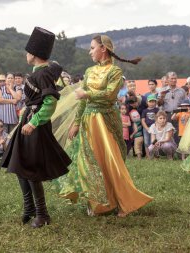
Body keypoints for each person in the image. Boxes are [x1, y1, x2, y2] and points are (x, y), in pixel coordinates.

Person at [63, 34, 152, 217]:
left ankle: (123, 202)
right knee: (87, 161)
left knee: (111, 161)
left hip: (106, 121)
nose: (90, 52)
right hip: (88, 121)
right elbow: (82, 102)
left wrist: (87, 95)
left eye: (92, 48)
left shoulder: (115, 72)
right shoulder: (89, 71)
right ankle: (96, 202)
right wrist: (76, 122)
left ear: (103, 48)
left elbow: (110, 95)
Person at [0, 27, 71, 228]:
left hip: (35, 126)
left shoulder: (44, 74)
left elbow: (50, 103)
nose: (26, 55)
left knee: (30, 168)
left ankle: (43, 214)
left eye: (28, 52)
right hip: (28, 121)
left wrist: (33, 122)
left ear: (34, 54)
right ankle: (29, 208)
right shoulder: (42, 72)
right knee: (20, 165)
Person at [141, 94, 159, 159]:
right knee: (146, 142)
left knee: (154, 141)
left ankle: (155, 155)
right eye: (150, 102)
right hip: (146, 128)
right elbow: (142, 120)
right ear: (147, 102)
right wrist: (147, 128)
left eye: (153, 101)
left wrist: (155, 127)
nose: (151, 103)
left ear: (155, 102)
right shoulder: (144, 111)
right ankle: (148, 155)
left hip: (154, 128)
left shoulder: (157, 110)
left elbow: (158, 119)